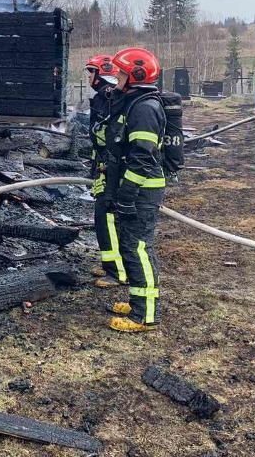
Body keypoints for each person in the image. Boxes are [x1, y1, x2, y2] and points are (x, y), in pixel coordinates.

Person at [100, 47, 166, 333]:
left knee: (138, 248)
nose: (117, 78)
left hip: (141, 190)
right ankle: (137, 302)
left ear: (136, 76)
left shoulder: (144, 109)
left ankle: (145, 315)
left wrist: (126, 194)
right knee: (130, 246)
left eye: (122, 73)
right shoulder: (133, 102)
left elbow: (142, 157)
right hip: (132, 188)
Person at [85, 54, 126, 288]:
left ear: (101, 73)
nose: (89, 76)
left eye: (91, 71)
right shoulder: (105, 97)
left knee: (107, 216)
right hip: (104, 165)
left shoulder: (110, 98)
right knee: (103, 217)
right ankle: (110, 264)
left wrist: (105, 166)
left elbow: (110, 136)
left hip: (111, 168)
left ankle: (116, 272)